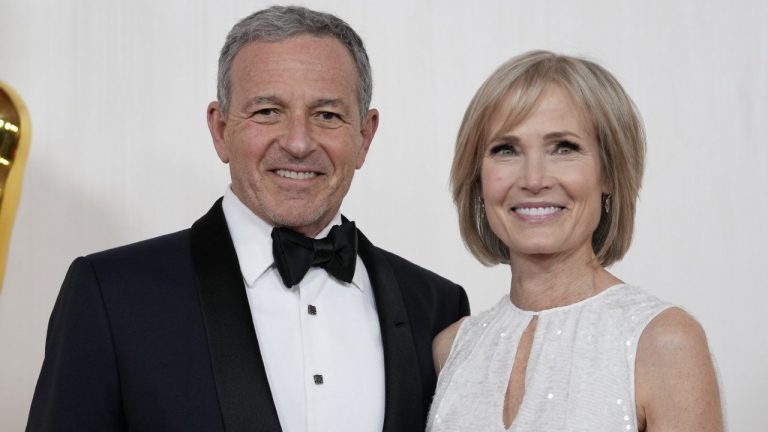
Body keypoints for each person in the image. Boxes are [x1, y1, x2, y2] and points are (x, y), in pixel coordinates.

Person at [27, 6, 468, 432]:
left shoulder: (437, 309)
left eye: (327, 115)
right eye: (267, 111)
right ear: (221, 130)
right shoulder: (111, 296)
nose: (298, 143)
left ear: (364, 137)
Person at [427, 51, 723, 431]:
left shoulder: (665, 344)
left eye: (564, 148)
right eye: (506, 150)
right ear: (478, 181)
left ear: (609, 174)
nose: (534, 179)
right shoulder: (451, 350)